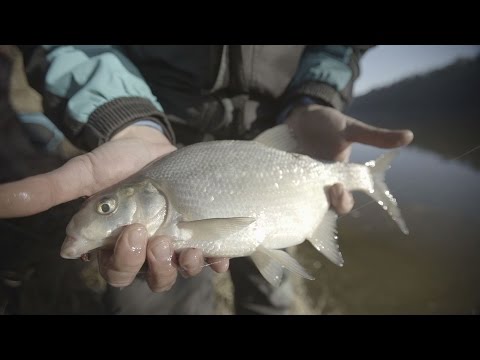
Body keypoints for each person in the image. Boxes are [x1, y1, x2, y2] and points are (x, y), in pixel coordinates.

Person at [0, 45, 413, 314]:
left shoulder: (158, 188)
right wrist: (126, 119)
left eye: (107, 206)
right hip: (162, 126)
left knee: (272, 297)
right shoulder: (153, 179)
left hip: (283, 130)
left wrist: (316, 95)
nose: (104, 210)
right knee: (158, 299)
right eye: (105, 207)